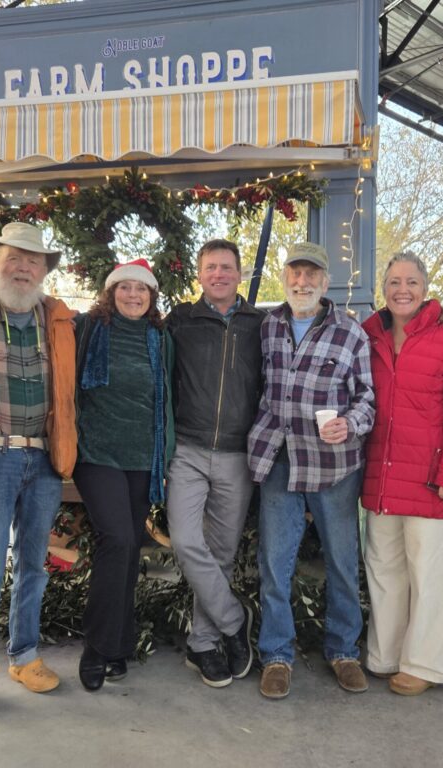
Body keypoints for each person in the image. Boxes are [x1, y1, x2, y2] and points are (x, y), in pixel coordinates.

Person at [0, 222, 78, 721]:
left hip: (44, 459)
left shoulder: (58, 318)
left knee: (33, 566)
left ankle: (24, 656)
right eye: (14, 258)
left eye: (33, 260)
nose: (23, 268)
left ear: (44, 270)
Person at [247, 241, 375, 700]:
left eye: (311, 274)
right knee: (274, 563)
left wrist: (350, 423)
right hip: (279, 459)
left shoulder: (350, 333)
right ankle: (276, 655)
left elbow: (367, 398)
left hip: (333, 465)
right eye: (295, 273)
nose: (302, 282)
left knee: (342, 561)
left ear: (325, 281)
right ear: (285, 277)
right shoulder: (267, 326)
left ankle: (343, 651)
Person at [360, 252, 443, 695]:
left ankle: (428, 662)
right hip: (382, 477)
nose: (402, 290)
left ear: (425, 287)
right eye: (394, 282)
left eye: (411, 281)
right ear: (383, 289)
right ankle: (386, 653)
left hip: (432, 479)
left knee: (432, 576)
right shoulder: (369, 336)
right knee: (385, 571)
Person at [166, 239, 264, 688]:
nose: (219, 274)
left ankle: (203, 644)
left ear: (240, 274)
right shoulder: (181, 322)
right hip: (188, 450)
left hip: (237, 454)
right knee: (187, 542)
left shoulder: (260, 325)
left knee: (221, 554)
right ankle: (233, 620)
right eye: (211, 267)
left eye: (226, 267)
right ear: (200, 275)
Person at [73, 258, 174, 692]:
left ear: (152, 296)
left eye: (141, 289)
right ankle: (97, 647)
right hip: (96, 453)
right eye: (124, 288)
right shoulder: (87, 329)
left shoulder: (161, 338)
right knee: (117, 539)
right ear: (110, 292)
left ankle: (119, 643)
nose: (133, 295)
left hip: (142, 457)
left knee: (131, 548)